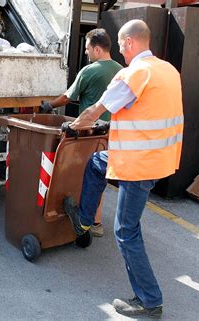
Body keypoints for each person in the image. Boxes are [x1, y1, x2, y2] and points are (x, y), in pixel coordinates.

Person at [62, 19, 183, 318]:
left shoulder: (134, 74)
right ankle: (85, 220)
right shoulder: (167, 70)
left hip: (137, 164)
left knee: (126, 232)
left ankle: (149, 300)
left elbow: (95, 110)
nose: (119, 49)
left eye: (120, 44)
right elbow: (145, 111)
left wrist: (73, 127)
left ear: (129, 43)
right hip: (159, 159)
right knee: (96, 163)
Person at [42, 28, 122, 237]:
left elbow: (68, 97)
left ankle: (77, 218)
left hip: (89, 132)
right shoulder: (122, 70)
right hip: (113, 133)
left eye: (87, 49)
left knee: (80, 174)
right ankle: (96, 222)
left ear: (97, 48)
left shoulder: (90, 70)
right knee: (100, 177)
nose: (86, 53)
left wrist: (49, 105)